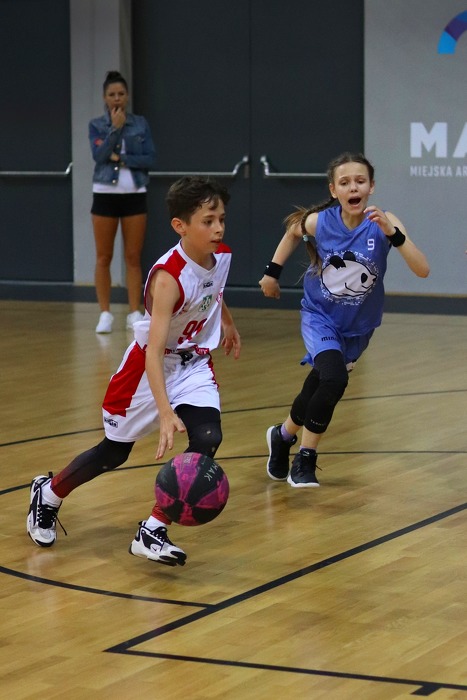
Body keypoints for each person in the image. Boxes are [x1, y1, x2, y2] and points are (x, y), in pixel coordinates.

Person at [27, 176, 241, 566]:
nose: (219, 229)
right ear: (180, 226)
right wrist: (165, 411)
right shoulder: (168, 277)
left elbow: (214, 289)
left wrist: (226, 322)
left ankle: (152, 530)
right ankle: (49, 493)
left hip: (193, 363)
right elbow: (154, 352)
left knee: (208, 437)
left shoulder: (221, 254)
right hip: (148, 368)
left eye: (222, 219)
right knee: (113, 453)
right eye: (208, 221)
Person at [259, 152, 430, 488]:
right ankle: (305, 459)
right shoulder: (320, 222)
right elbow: (293, 231)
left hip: (358, 327)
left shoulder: (384, 222)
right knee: (335, 380)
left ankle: (282, 435)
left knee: (319, 383)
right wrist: (271, 273)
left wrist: (393, 233)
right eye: (345, 182)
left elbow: (422, 270)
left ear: (371, 187)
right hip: (320, 316)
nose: (354, 187)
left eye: (360, 181)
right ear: (334, 190)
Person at [89, 70, 156, 333]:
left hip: (134, 193)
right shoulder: (97, 125)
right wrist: (115, 130)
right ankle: (105, 313)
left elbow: (149, 158)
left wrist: (122, 159)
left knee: (133, 256)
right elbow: (99, 155)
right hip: (105, 193)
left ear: (127, 96)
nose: (116, 98)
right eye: (111, 94)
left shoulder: (140, 124)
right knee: (103, 255)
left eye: (120, 93)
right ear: (105, 98)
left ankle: (133, 311)